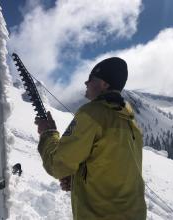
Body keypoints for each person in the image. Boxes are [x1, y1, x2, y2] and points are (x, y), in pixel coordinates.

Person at [35, 57, 147, 220]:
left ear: (104, 84)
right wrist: (78, 178)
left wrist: (48, 133)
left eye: (91, 79)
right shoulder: (130, 122)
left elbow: (57, 165)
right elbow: (113, 169)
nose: (86, 83)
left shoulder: (92, 113)